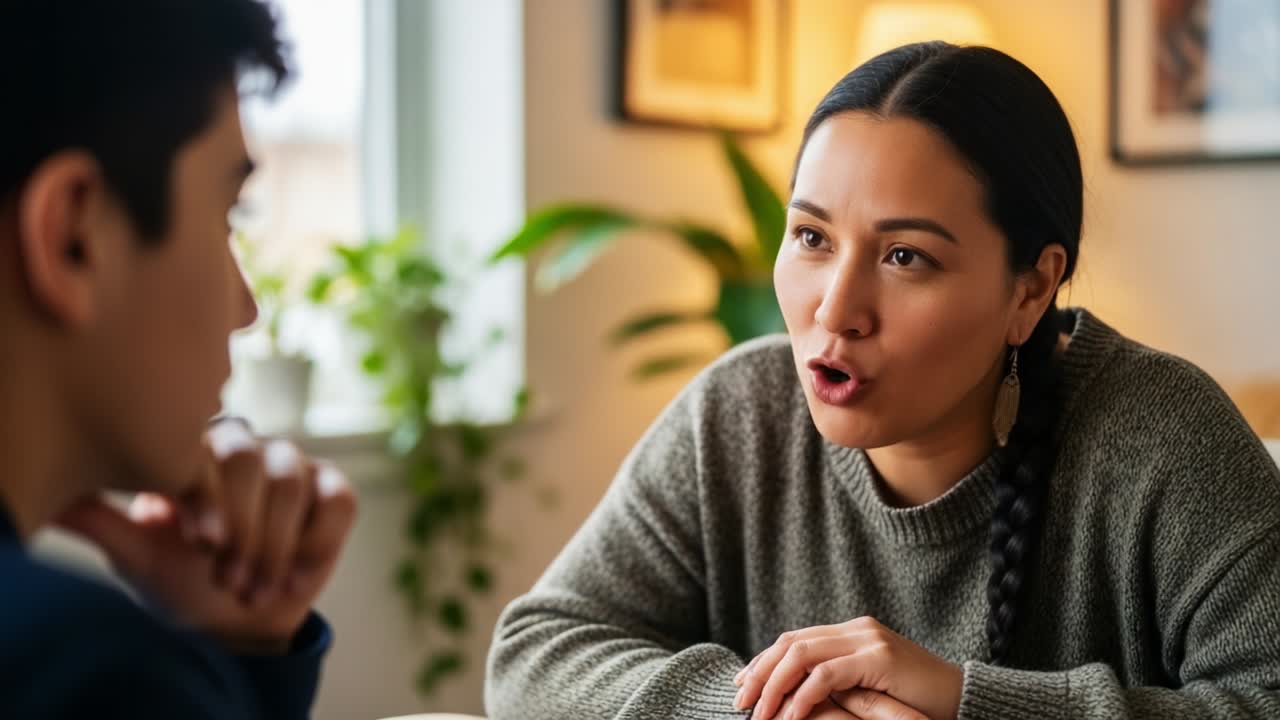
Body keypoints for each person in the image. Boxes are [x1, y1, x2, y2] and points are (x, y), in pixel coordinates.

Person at [486, 42, 1280, 719]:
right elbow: (535, 654)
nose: (836, 309)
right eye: (811, 236)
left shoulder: (1163, 434)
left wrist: (964, 701)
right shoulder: (738, 413)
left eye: (906, 257)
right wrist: (776, 706)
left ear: (1031, 289)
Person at [0, 1, 356, 717]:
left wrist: (240, 647)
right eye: (228, 213)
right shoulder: (92, 675)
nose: (246, 309)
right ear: (74, 239)